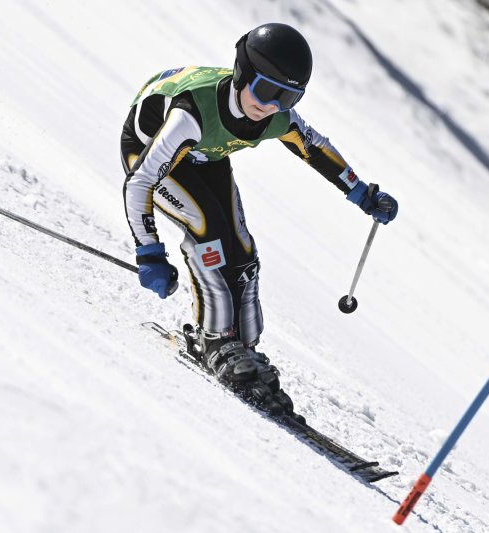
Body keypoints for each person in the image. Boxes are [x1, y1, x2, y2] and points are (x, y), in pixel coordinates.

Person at [121, 22, 398, 415]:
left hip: (206, 154)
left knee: (243, 251)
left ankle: (244, 347)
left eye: (288, 97)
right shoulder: (191, 115)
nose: (271, 106)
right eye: (267, 90)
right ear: (242, 72)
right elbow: (140, 181)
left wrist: (362, 193)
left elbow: (315, 147)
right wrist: (148, 252)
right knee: (207, 233)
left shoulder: (274, 115)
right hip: (148, 150)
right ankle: (215, 339)